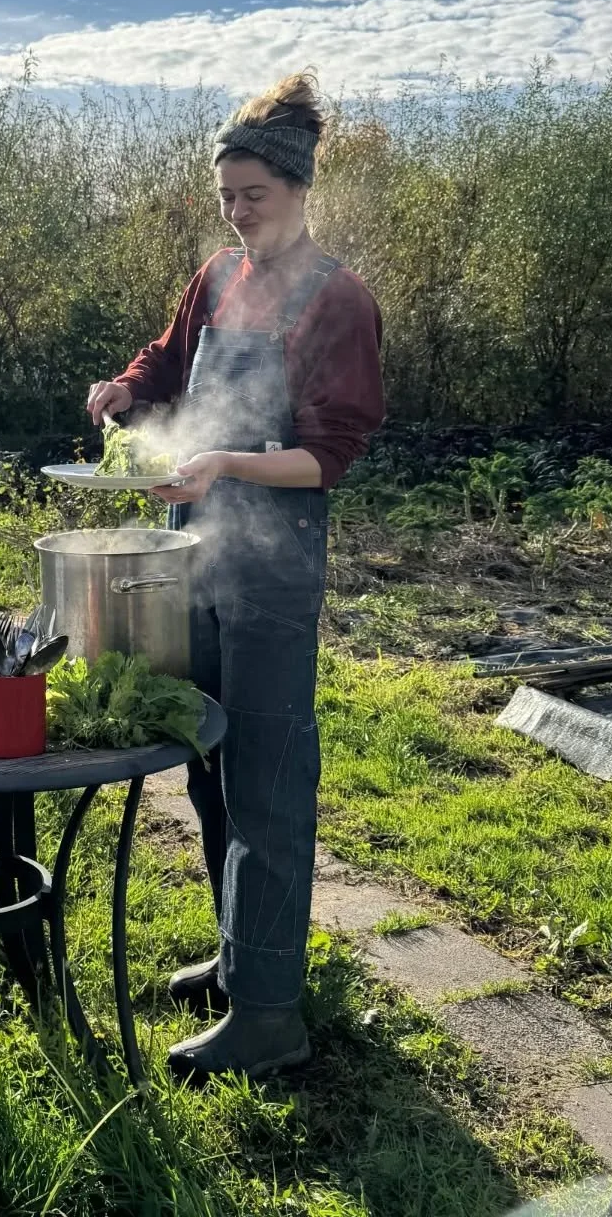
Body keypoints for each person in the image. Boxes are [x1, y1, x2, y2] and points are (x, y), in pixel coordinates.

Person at [86, 72, 384, 1080]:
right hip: (194, 555)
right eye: (225, 195)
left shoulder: (337, 298)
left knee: (268, 781)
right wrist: (124, 389)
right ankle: (236, 952)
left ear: (298, 188)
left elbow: (326, 457)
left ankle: (269, 1015)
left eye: (253, 194)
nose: (237, 212)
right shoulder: (216, 276)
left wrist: (221, 462)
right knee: (207, 763)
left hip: (272, 569)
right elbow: (167, 366)